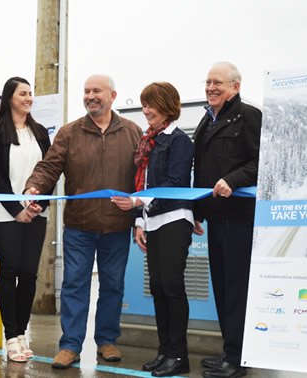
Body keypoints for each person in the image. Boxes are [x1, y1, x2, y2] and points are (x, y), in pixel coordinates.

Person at [24, 74, 142, 369]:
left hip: (117, 225)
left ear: (113, 96)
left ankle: (107, 340)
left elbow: (144, 178)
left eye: (97, 91)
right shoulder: (69, 132)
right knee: (75, 285)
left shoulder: (133, 132)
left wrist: (140, 215)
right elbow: (49, 167)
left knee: (113, 285)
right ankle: (70, 345)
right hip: (78, 226)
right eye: (87, 91)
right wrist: (34, 186)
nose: (91, 95)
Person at [111, 82, 194, 377]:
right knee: (159, 288)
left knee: (171, 287)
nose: (146, 110)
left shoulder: (179, 141)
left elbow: (174, 184)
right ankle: (165, 352)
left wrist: (136, 202)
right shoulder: (150, 141)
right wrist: (139, 220)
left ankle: (179, 356)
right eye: (144, 105)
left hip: (175, 221)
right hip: (153, 221)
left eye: (152, 105)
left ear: (168, 106)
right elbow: (142, 183)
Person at [193, 62, 261, 378]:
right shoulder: (206, 122)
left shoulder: (249, 116)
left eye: (217, 82)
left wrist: (233, 179)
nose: (210, 88)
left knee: (236, 288)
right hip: (216, 219)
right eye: (207, 82)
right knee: (221, 287)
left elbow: (262, 162)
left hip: (240, 219)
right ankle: (230, 349)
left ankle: (237, 358)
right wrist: (197, 211)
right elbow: (202, 172)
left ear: (235, 86)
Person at [0, 77, 51, 363]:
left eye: (30, 93)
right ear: (10, 97)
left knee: (29, 274)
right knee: (9, 270)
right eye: (23, 93)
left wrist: (37, 205)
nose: (28, 98)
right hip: (5, 213)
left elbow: (50, 170)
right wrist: (17, 209)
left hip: (37, 213)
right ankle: (10, 336)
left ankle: (22, 332)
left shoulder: (39, 132)